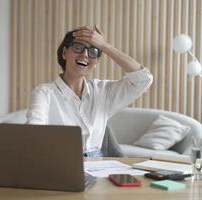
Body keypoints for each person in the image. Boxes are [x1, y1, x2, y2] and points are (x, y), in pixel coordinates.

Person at [26, 25, 153, 157]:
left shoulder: (103, 91)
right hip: (61, 161)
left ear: (96, 62)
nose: (85, 54)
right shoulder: (44, 93)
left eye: (93, 51)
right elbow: (34, 133)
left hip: (99, 166)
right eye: (78, 47)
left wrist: (105, 46)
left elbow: (143, 80)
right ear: (64, 53)